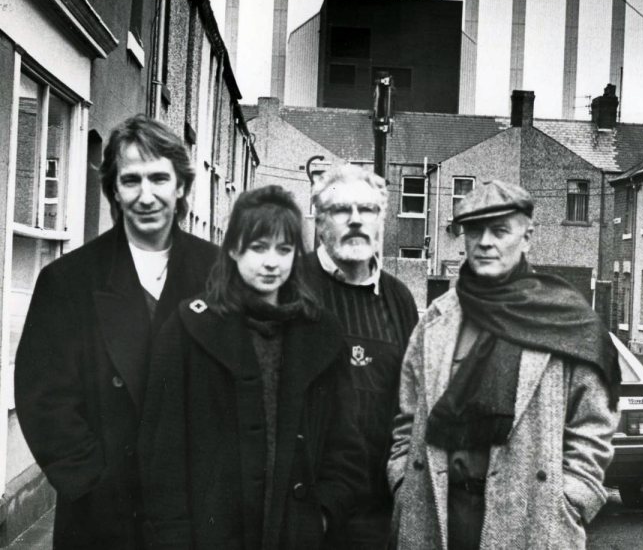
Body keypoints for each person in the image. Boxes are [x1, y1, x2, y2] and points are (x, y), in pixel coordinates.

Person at [15, 114, 218, 549]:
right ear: (113, 190)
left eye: (160, 179)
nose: (147, 196)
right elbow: (42, 395)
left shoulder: (222, 275)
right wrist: (91, 480)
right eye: (131, 180)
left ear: (181, 187)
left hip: (198, 516)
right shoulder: (67, 282)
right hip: (102, 519)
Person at [387, 180, 621, 549]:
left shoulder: (565, 317)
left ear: (527, 237)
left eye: (499, 231)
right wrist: (403, 481)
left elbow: (593, 423)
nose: (485, 242)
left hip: (532, 515)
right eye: (475, 230)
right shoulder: (437, 319)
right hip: (437, 511)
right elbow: (407, 414)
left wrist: (573, 498)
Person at [139, 185, 366, 549]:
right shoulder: (189, 329)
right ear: (233, 249)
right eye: (258, 248)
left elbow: (346, 447)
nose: (271, 262)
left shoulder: (322, 334)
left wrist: (319, 516)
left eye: (284, 249)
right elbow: (161, 456)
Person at [304, 164, 418, 549]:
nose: (355, 220)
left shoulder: (399, 300)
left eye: (367, 210)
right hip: (307, 515)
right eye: (340, 210)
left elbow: (412, 403)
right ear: (320, 223)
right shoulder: (293, 286)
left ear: (381, 222)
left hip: (378, 516)